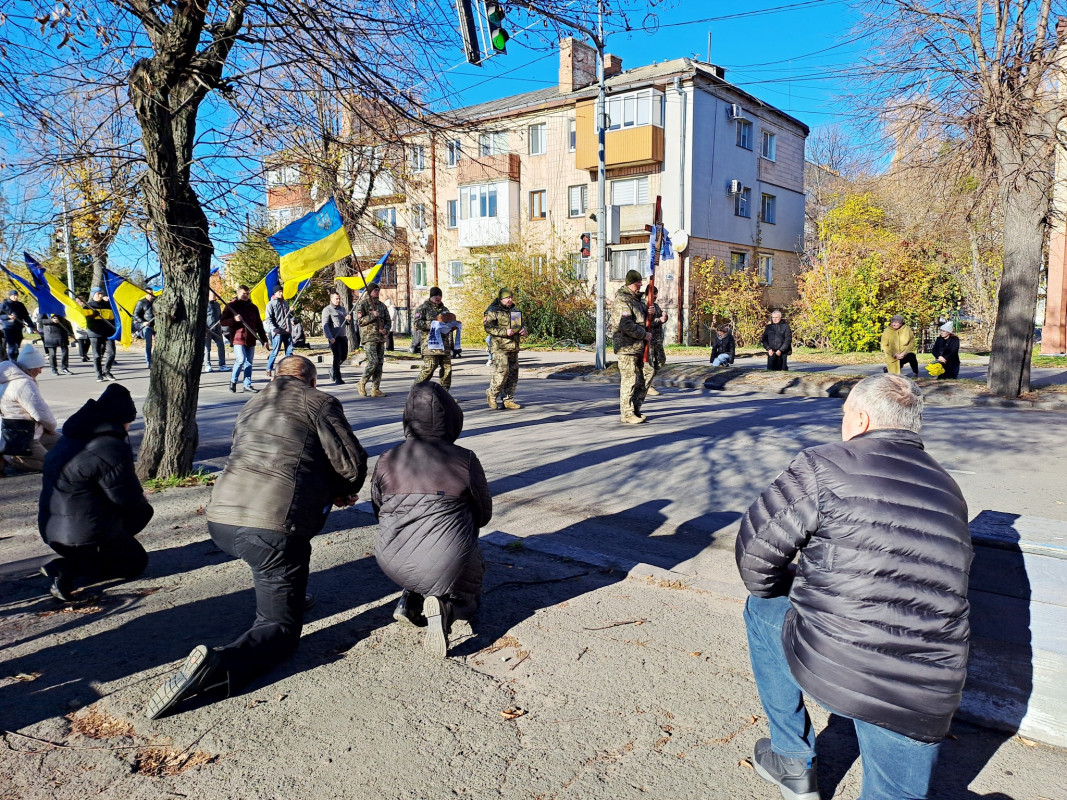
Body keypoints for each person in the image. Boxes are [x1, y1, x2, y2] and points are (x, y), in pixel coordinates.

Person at [735, 374, 972, 800]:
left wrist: (792, 588)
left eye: (844, 415)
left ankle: (791, 758)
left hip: (838, 656)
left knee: (761, 606)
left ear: (860, 419)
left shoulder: (824, 464)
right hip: (929, 687)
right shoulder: (949, 487)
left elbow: (756, 557)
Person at [146, 355, 367, 719]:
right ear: (313, 381)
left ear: (273, 377)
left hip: (221, 521)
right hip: (270, 528)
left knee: (273, 565)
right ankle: (219, 666)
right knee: (279, 630)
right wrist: (342, 491)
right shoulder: (319, 402)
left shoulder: (253, 403)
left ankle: (290, 593)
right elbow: (350, 462)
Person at [372, 382, 492, 657]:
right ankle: (448, 610)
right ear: (452, 417)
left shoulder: (387, 458)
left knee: (419, 551)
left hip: (389, 556)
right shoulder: (465, 459)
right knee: (469, 590)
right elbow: (484, 515)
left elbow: (378, 509)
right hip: (449, 558)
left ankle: (408, 600)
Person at [38, 383, 153, 602]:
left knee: (115, 542)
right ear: (120, 419)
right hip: (83, 534)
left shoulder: (70, 438)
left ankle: (73, 561)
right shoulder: (111, 447)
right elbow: (126, 499)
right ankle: (67, 569)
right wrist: (143, 504)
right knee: (135, 562)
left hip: (51, 529)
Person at [0, 343, 58, 473]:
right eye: (39, 367)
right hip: (26, 438)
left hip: (19, 434)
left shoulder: (6, 379)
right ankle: (12, 461)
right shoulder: (24, 383)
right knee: (57, 465)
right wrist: (51, 427)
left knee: (65, 444)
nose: (41, 371)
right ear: (31, 367)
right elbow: (40, 413)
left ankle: (10, 456)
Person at [610, 270, 651, 424]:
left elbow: (644, 317)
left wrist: (651, 310)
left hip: (637, 347)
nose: (640, 285)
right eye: (637, 283)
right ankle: (626, 414)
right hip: (627, 348)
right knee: (629, 379)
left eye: (641, 282)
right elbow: (625, 324)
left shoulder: (636, 300)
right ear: (629, 284)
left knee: (641, 378)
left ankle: (634, 410)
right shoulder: (623, 301)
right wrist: (644, 334)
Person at [484, 288, 526, 410]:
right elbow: (488, 327)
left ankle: (508, 399)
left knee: (513, 373)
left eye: (511, 297)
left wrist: (523, 330)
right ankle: (492, 394)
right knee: (502, 371)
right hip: (499, 347)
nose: (509, 300)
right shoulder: (493, 310)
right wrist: (504, 332)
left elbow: (519, 326)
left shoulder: (515, 310)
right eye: (507, 298)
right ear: (501, 299)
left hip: (513, 346)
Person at [221, 285, 268, 394]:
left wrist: (264, 339)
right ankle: (233, 381)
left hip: (251, 338)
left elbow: (259, 325)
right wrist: (234, 319)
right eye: (243, 294)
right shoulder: (231, 306)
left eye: (247, 294)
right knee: (241, 359)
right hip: (238, 337)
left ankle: (247, 384)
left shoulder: (253, 307)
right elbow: (223, 321)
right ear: (238, 294)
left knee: (249, 362)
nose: (246, 296)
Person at [413, 287, 457, 392]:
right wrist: (434, 323)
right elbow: (417, 323)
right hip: (429, 345)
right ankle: (416, 391)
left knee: (447, 369)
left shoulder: (444, 310)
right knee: (430, 368)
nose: (438, 297)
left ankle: (444, 393)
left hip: (443, 344)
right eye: (435, 295)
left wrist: (452, 326)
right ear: (431, 296)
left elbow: (448, 322)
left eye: (440, 295)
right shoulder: (422, 308)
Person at [355, 282, 391, 398]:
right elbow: (360, 321)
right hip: (369, 337)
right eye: (375, 290)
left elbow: (388, 320)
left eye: (378, 290)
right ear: (369, 292)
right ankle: (362, 382)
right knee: (373, 361)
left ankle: (375, 388)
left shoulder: (381, 305)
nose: (377, 292)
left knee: (379, 364)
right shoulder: (363, 304)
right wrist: (372, 316)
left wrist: (385, 329)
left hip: (380, 338)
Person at [84, 287, 118, 382]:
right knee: (97, 355)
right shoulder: (87, 306)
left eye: (101, 293)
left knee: (111, 353)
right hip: (95, 333)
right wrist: (93, 315)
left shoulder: (108, 305)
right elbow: (85, 321)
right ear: (93, 294)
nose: (101, 295)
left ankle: (106, 371)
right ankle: (99, 374)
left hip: (108, 332)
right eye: (98, 293)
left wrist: (115, 329)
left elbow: (112, 319)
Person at [321, 290, 353, 385]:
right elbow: (325, 325)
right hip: (334, 338)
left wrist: (348, 320)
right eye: (336, 299)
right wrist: (330, 337)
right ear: (331, 299)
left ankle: (333, 369)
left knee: (343, 357)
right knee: (337, 356)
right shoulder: (327, 310)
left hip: (343, 336)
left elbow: (346, 323)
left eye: (339, 298)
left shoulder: (342, 309)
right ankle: (338, 378)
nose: (338, 300)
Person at [264, 285, 294, 378]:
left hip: (287, 331)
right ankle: (269, 368)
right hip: (278, 332)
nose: (281, 293)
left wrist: (292, 312)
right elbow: (268, 319)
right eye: (279, 292)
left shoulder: (285, 303)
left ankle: (287, 370)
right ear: (275, 293)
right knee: (275, 351)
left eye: (282, 291)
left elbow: (289, 316)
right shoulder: (271, 304)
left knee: (289, 352)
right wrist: (274, 328)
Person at [643, 286, 668, 397]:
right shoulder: (643, 305)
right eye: (654, 294)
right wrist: (659, 320)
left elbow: (660, 317)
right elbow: (644, 323)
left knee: (661, 360)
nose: (656, 296)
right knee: (649, 365)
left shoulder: (655, 306)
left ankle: (647, 382)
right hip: (648, 340)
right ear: (648, 294)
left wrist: (665, 317)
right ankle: (647, 386)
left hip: (657, 340)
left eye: (656, 294)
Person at [0, 289, 36, 362]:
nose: (16, 297)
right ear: (10, 296)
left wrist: (32, 326)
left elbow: (26, 316)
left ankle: (14, 359)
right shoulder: (4, 304)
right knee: (12, 345)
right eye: (14, 296)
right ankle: (12, 361)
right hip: (8, 327)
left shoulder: (20, 305)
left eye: (16, 295)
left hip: (18, 327)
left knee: (17, 345)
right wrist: (8, 317)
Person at [204, 291, 227, 373]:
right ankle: (207, 365)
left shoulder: (217, 305)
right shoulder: (204, 304)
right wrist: (204, 328)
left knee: (221, 345)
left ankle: (222, 365)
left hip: (217, 329)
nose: (215, 296)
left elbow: (220, 316)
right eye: (213, 295)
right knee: (207, 348)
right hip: (208, 329)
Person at [132, 289, 156, 367]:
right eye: (148, 293)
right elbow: (135, 315)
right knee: (148, 344)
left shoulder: (156, 302)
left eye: (151, 293)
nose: (150, 295)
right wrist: (143, 322)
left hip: (156, 326)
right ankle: (149, 361)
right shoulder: (141, 302)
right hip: (146, 326)